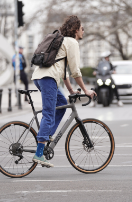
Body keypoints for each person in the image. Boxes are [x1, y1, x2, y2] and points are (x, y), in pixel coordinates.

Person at [31, 15, 97, 167]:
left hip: (41, 77)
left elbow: (64, 71)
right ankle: (39, 154)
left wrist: (71, 90)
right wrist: (86, 90)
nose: (83, 31)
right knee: (48, 113)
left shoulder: (62, 41)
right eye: (82, 28)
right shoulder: (72, 42)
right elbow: (75, 71)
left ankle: (47, 134)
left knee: (61, 103)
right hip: (48, 79)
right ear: (75, 30)